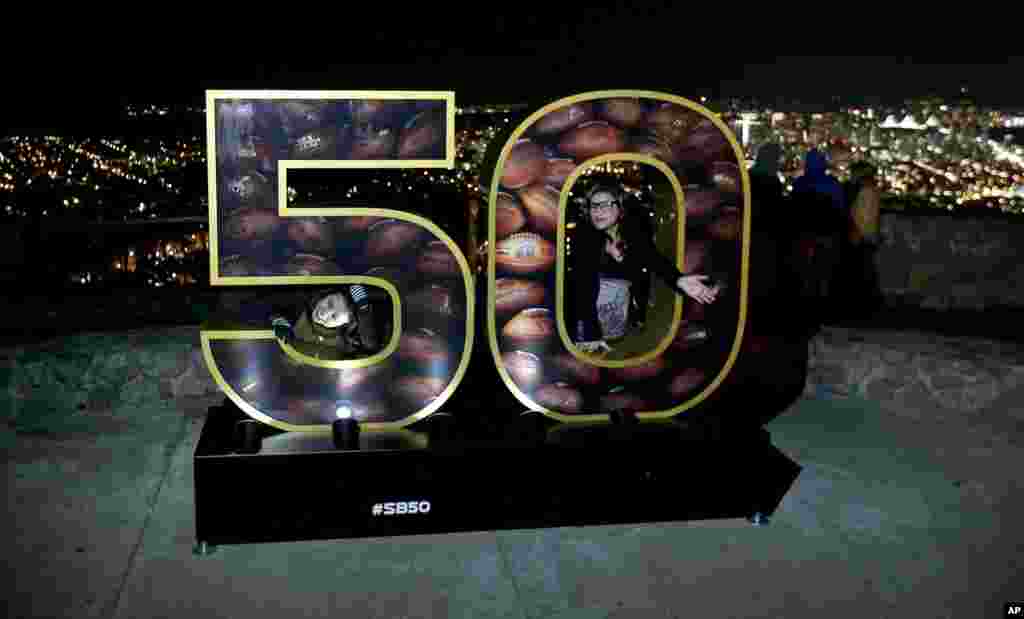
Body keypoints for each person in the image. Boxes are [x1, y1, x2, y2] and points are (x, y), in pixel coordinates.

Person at [568, 178, 721, 354]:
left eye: (605, 204)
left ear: (620, 208)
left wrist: (679, 280)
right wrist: (588, 334)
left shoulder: (632, 234)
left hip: (620, 325)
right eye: (593, 206)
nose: (598, 211)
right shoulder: (585, 238)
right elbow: (582, 284)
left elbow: (652, 258)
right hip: (588, 329)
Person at [790, 148, 846, 327]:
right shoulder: (832, 184)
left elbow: (794, 208)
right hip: (828, 235)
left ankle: (805, 311)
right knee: (825, 274)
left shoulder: (800, 183)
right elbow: (841, 208)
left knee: (805, 273)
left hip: (804, 235)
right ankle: (824, 311)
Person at [270, 284, 386, 358]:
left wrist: (364, 312)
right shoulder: (300, 307)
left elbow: (371, 346)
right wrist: (277, 319)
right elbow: (271, 305)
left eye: (334, 317)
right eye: (329, 303)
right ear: (327, 294)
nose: (323, 313)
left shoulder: (346, 341)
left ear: (345, 324)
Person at [841, 161, 884, 316]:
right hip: (867, 237)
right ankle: (867, 307)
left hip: (859, 237)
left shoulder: (864, 192)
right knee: (865, 272)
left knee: (859, 274)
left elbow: (860, 216)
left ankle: (862, 307)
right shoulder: (873, 191)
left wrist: (856, 232)